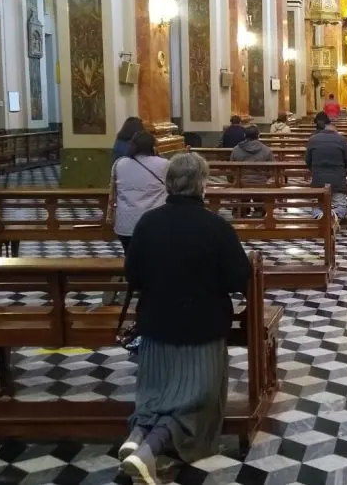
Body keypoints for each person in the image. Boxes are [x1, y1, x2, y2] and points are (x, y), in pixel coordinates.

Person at [119, 152, 250, 483]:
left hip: (156, 324)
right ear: (202, 185)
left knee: (155, 391)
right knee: (196, 398)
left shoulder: (147, 223)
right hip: (201, 328)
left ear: (168, 184)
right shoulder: (216, 227)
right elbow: (238, 277)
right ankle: (149, 451)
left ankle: (135, 438)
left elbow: (132, 275)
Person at [109, 131, 169, 254]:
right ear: (153, 146)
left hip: (126, 224)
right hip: (155, 224)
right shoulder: (164, 164)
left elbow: (113, 190)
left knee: (131, 256)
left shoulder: (119, 164)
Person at [305, 112, 347, 226]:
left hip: (318, 180)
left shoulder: (313, 139)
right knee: (341, 205)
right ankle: (334, 215)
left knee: (317, 205)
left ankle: (321, 216)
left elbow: (307, 161)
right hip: (338, 181)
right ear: (335, 131)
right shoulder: (341, 139)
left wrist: (315, 170)